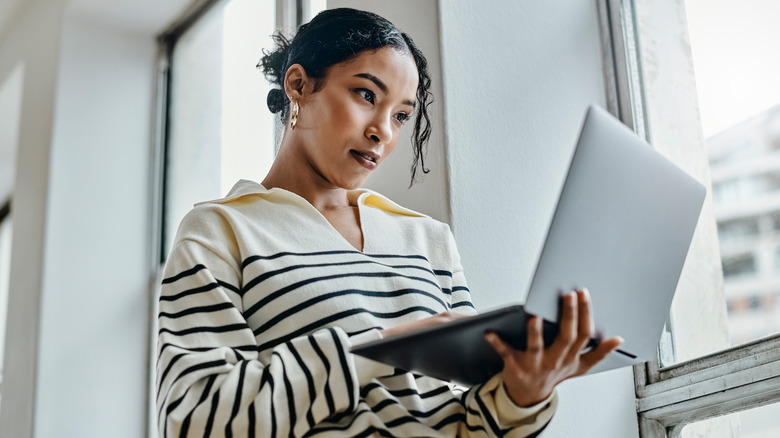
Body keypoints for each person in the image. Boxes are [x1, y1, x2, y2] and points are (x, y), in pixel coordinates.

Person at [155, 7, 623, 438]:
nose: (384, 130)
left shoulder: (428, 239)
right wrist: (381, 346)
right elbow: (195, 415)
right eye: (366, 94)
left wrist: (524, 394)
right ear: (298, 85)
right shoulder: (219, 232)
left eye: (401, 114)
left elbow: (469, 421)